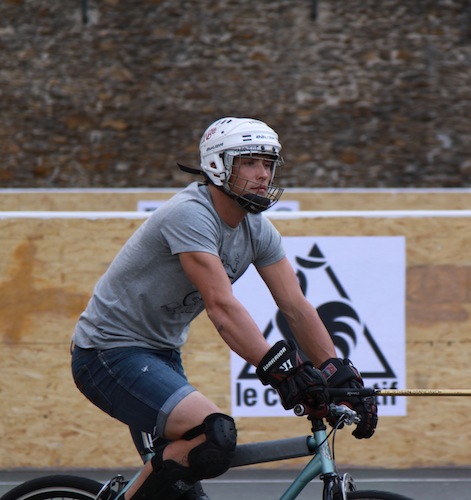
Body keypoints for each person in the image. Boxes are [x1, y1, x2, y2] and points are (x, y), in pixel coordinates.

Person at [70, 117, 377, 500]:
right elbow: (222, 307)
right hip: (107, 353)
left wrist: (338, 375)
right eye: (250, 162)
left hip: (161, 354)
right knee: (214, 436)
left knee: (188, 485)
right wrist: (282, 370)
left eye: (268, 164)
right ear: (218, 165)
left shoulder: (257, 228)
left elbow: (295, 306)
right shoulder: (190, 214)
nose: (263, 174)